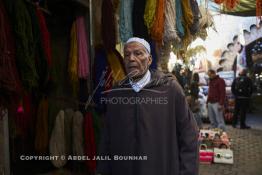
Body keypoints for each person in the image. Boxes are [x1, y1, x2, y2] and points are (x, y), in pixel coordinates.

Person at [97, 37, 199, 175]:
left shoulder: (170, 90)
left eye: (138, 53)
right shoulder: (116, 94)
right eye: (127, 55)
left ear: (149, 59)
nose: (131, 58)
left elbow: (189, 135)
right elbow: (106, 140)